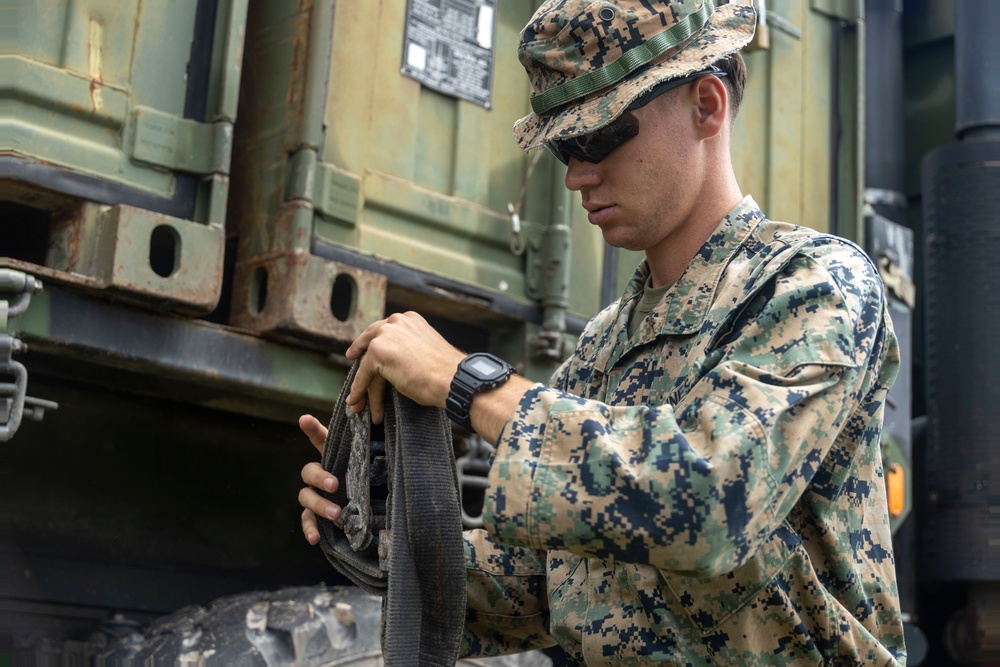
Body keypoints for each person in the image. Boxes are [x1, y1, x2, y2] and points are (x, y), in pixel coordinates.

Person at [298, 0, 907, 664]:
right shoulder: (605, 345)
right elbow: (538, 585)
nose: (576, 175)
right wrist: (386, 522)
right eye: (565, 144)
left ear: (707, 105)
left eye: (600, 137)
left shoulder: (813, 287)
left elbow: (707, 500)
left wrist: (467, 383)